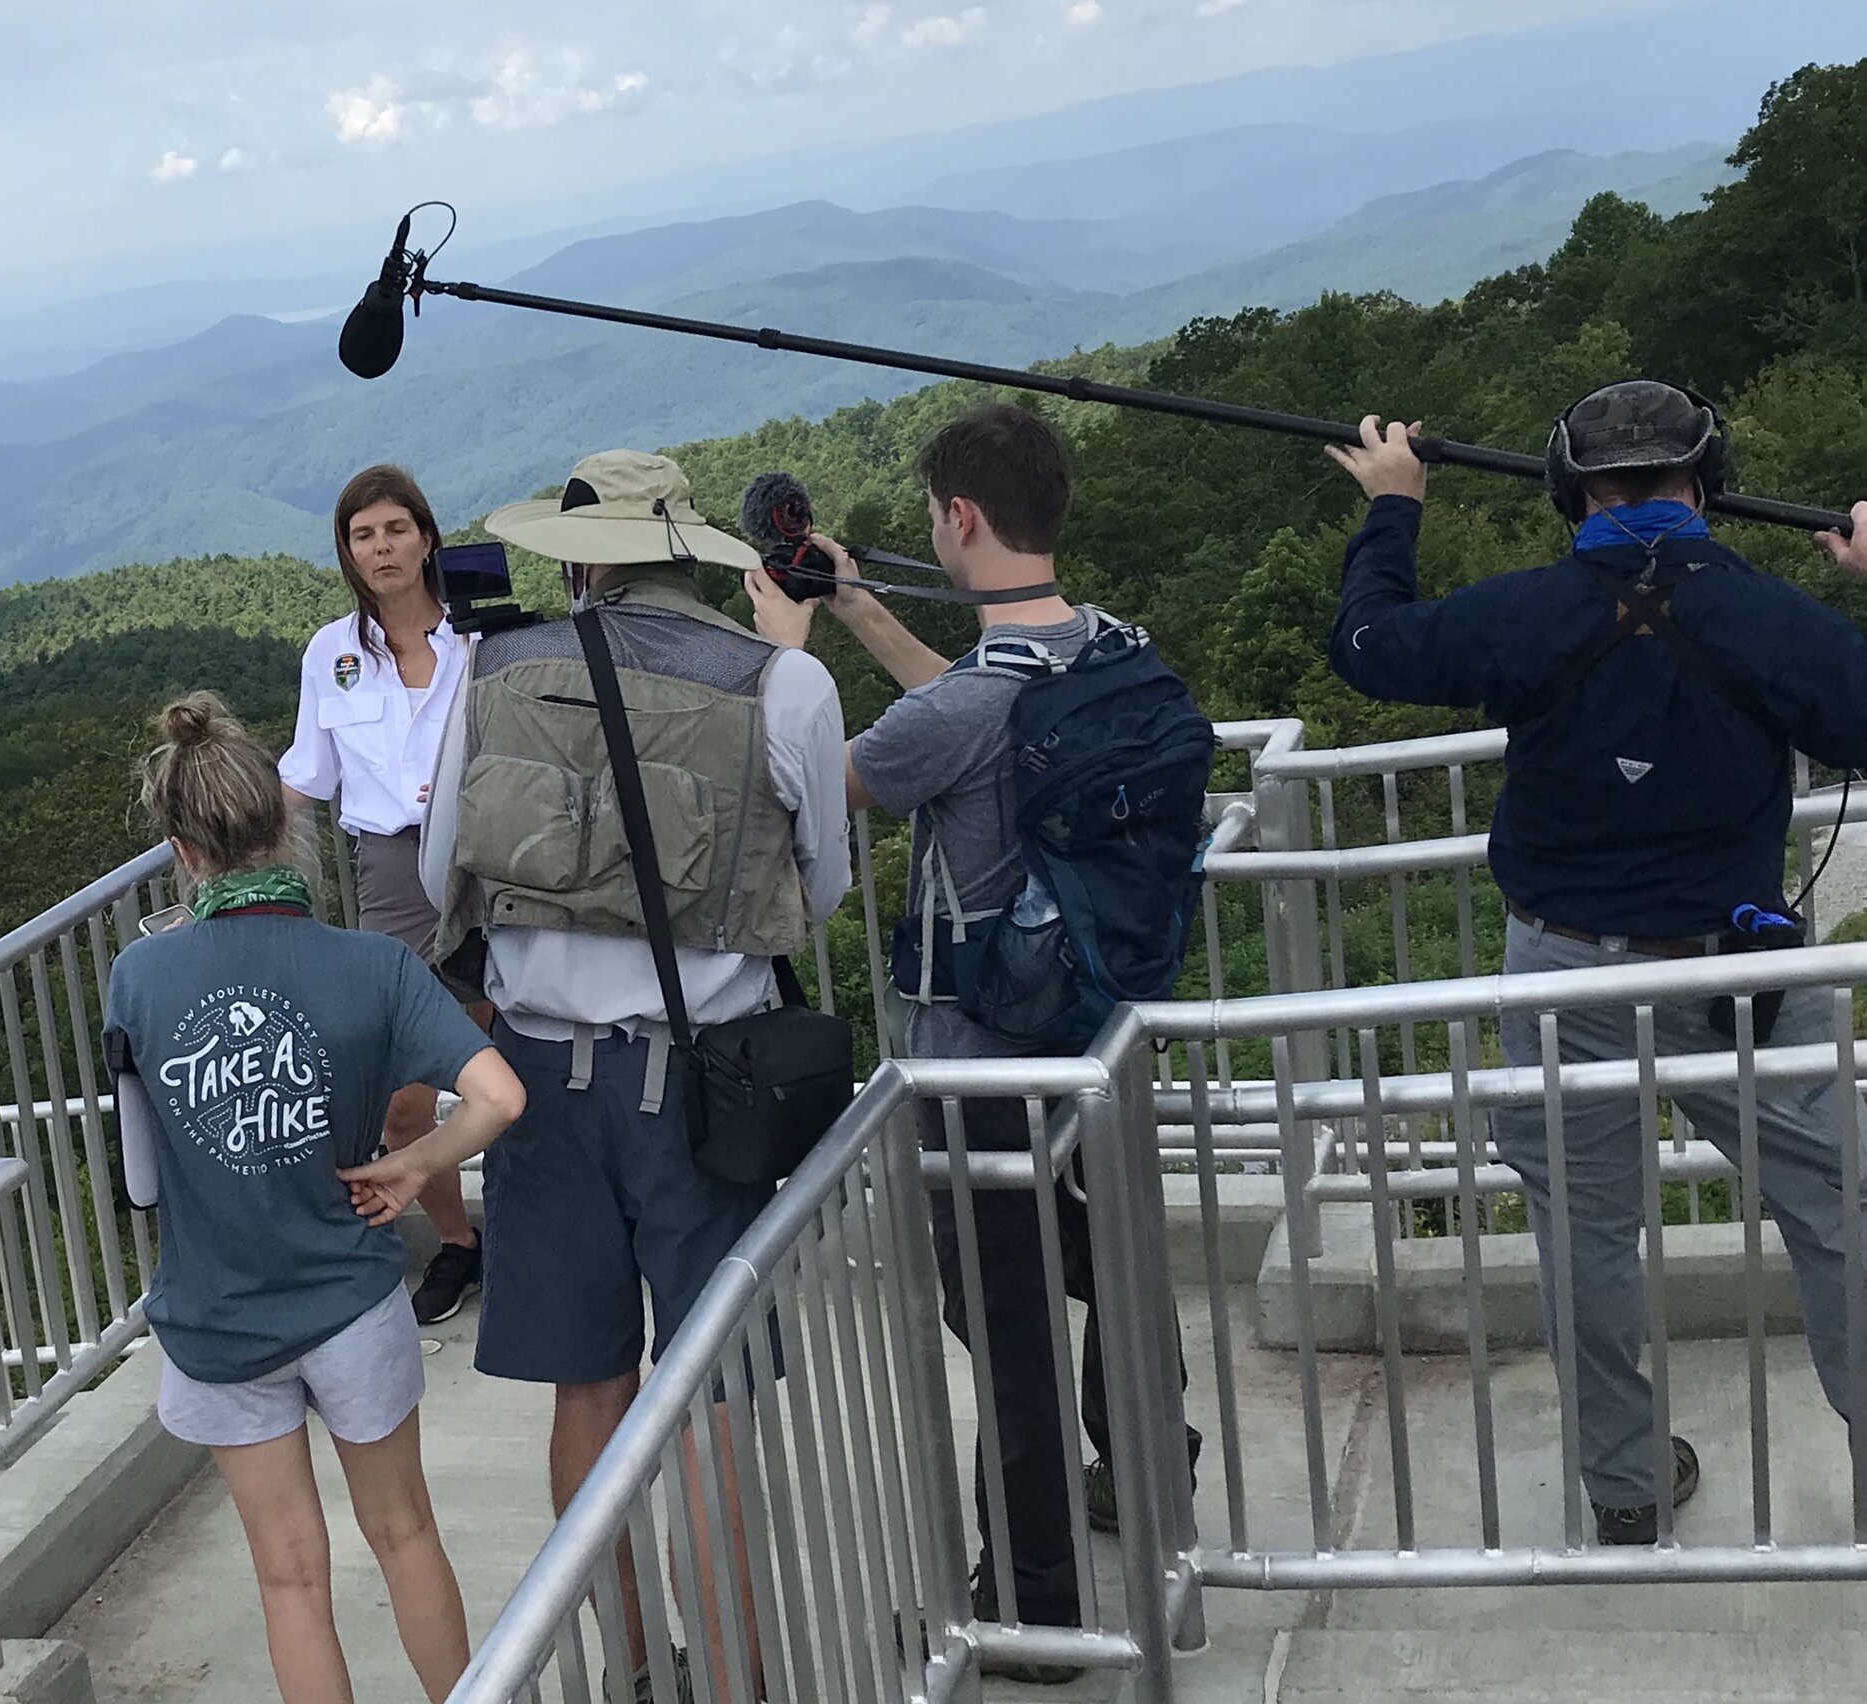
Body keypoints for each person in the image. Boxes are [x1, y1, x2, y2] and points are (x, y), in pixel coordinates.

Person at [1325, 385, 1867, 1543]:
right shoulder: (1771, 620)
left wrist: (1393, 506)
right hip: (1742, 980)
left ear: (1571, 489)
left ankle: (1623, 1490)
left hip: (1565, 975)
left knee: (1585, 1235)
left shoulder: (1522, 616)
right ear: (1706, 483)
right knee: (1840, 1215)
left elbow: (1368, 648)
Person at [747, 402, 1200, 1684]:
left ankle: (1038, 1603)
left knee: (996, 1319)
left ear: (955, 518)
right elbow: (962, 709)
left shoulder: (966, 713)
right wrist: (850, 603)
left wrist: (783, 647)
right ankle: (1151, 1465)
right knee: (1110, 1263)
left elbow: (823, 777)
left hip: (974, 1053)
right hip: (1096, 1029)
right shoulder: (1108, 647)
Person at [421, 450, 850, 1701]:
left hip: (537, 1082)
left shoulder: (492, 671)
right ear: (689, 549)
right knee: (708, 1386)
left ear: (584, 556)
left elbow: (448, 857)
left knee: (587, 1381)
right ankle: (733, 1676)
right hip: (706, 1080)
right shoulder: (787, 684)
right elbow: (812, 892)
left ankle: (626, 1666)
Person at [107, 691, 526, 1704]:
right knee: (404, 1532)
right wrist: (418, 1163)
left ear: (182, 850)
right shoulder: (373, 965)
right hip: (349, 1294)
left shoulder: (140, 978)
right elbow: (498, 1096)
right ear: (286, 826)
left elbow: (140, 1178)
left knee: (289, 1577)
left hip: (216, 1311)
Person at [281, 464, 490, 1326]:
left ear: (428, 535)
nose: (381, 548)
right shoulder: (330, 656)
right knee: (403, 1095)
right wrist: (218, 850)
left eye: (395, 529)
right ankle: (461, 1245)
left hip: (496, 859)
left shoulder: (485, 640)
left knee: (516, 1059)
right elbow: (306, 777)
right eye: (363, 535)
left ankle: (542, 1230)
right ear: (347, 552)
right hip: (393, 877)